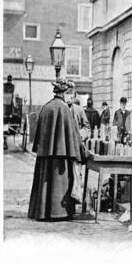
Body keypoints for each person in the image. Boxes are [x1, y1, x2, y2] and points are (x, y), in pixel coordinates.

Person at [28, 78, 83, 221]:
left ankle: (41, 212)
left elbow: (38, 133)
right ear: (65, 93)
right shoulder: (64, 108)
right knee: (60, 183)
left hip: (45, 155)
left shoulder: (46, 107)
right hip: (62, 155)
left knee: (44, 182)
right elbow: (72, 133)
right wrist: (79, 150)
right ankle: (59, 212)